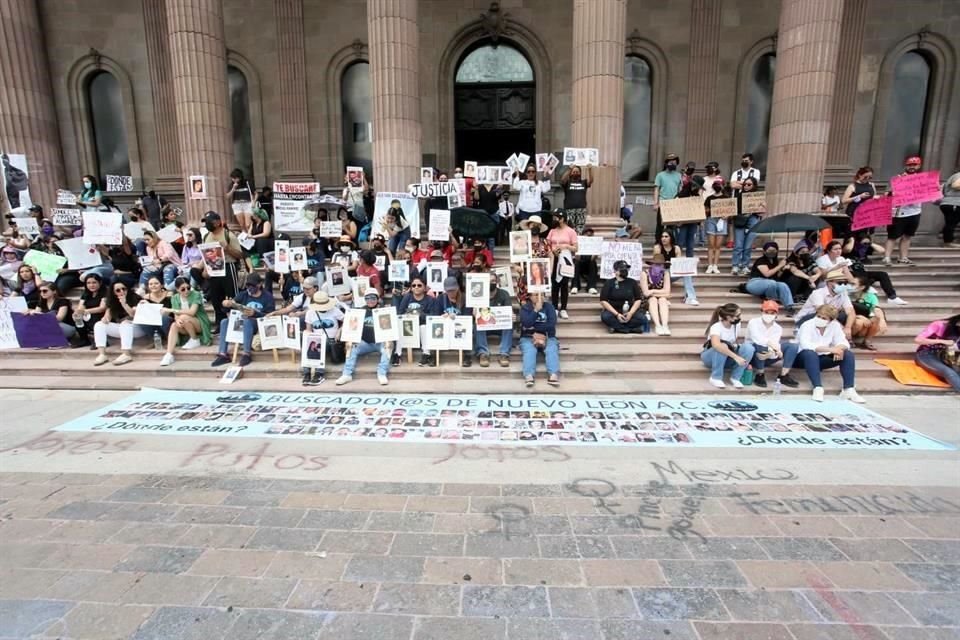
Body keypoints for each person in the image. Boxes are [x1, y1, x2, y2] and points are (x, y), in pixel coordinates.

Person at [796, 304, 865, 403]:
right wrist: (832, 349)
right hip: (803, 358)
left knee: (847, 354)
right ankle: (818, 388)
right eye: (818, 316)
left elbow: (844, 342)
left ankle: (848, 389)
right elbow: (806, 344)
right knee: (810, 353)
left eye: (824, 318)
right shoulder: (807, 324)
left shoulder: (835, 326)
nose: (820, 319)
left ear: (831, 321)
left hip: (821, 359)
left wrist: (838, 348)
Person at [210, 272, 276, 367]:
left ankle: (246, 354)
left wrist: (255, 313)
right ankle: (223, 354)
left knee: (248, 321)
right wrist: (226, 304)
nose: (250, 288)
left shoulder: (267, 296)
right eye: (248, 285)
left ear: (259, 284)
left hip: (258, 324)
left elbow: (271, 315)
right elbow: (229, 307)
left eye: (252, 285)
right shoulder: (243, 295)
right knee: (224, 322)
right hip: (242, 321)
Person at [336, 289, 391, 386]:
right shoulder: (360, 310)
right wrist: (340, 329)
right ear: (365, 299)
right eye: (367, 298)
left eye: (373, 298)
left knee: (389, 344)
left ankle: (382, 373)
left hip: (379, 343)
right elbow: (351, 325)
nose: (370, 300)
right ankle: (347, 374)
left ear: (378, 299)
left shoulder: (384, 310)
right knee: (350, 344)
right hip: (364, 343)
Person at [200, 211, 244, 326]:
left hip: (229, 267)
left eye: (210, 222)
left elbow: (239, 255)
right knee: (216, 298)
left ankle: (237, 323)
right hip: (213, 269)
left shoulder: (228, 235)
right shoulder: (206, 236)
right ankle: (220, 323)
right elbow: (205, 254)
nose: (208, 225)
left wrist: (227, 248)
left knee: (233, 296)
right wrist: (205, 269)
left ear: (218, 222)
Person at [745, 300, 800, 388]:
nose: (769, 315)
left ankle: (783, 375)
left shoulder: (778, 328)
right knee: (760, 345)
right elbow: (758, 339)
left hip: (768, 355)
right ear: (762, 311)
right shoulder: (753, 322)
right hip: (753, 355)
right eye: (767, 312)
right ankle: (760, 374)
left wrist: (772, 352)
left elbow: (775, 343)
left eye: (772, 313)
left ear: (776, 314)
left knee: (793, 346)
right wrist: (775, 348)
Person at [842, 232, 908, 305]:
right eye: (864, 244)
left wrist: (870, 243)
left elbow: (882, 250)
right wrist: (852, 240)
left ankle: (892, 297)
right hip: (849, 273)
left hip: (862, 273)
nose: (865, 246)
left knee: (882, 274)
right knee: (864, 277)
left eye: (867, 244)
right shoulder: (850, 248)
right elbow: (847, 250)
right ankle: (866, 285)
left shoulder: (866, 248)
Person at [701, 302, 755, 389]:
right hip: (711, 357)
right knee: (722, 346)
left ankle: (736, 377)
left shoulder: (736, 325)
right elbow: (716, 345)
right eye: (737, 315)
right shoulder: (716, 327)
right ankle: (715, 377)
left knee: (748, 348)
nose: (740, 318)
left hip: (727, 356)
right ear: (728, 317)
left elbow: (732, 342)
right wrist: (736, 357)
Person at [159, 277, 211, 366]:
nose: (186, 291)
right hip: (185, 323)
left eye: (188, 288)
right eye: (183, 289)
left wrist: (172, 310)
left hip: (199, 323)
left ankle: (194, 339)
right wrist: (178, 320)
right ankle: (169, 354)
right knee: (174, 325)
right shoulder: (175, 298)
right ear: (177, 289)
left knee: (184, 317)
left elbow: (192, 312)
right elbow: (176, 316)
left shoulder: (196, 294)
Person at [93, 280, 145, 366]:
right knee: (99, 325)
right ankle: (102, 354)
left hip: (138, 328)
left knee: (125, 323)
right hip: (123, 328)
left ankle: (126, 354)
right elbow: (107, 317)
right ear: (113, 293)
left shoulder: (136, 298)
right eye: (118, 290)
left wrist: (124, 304)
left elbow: (133, 315)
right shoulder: (112, 302)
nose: (121, 291)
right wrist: (105, 319)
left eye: (123, 289)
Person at [885, 156, 924, 265]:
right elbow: (888, 193)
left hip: (915, 211)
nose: (912, 167)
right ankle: (887, 257)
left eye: (914, 165)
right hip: (899, 211)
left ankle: (903, 257)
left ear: (919, 166)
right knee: (892, 236)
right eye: (909, 165)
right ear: (905, 166)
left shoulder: (922, 179)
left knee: (908, 235)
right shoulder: (898, 178)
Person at [795, 270, 856, 339]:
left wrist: (848, 328)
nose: (843, 285)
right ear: (829, 283)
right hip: (808, 319)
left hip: (828, 319)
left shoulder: (843, 294)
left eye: (845, 283)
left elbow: (850, 311)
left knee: (844, 316)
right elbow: (823, 312)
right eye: (840, 282)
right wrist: (840, 328)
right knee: (822, 316)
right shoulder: (818, 293)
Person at [300, 291, 345, 386]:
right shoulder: (310, 313)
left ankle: (319, 373)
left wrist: (340, 330)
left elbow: (347, 320)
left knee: (321, 345)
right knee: (307, 342)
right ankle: (306, 373)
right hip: (317, 339)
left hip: (331, 341)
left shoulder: (334, 310)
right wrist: (307, 337)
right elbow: (309, 329)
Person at [473, 271, 513, 367]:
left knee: (509, 322)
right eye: (488, 281)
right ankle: (483, 353)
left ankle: (504, 353)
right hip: (485, 327)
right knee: (477, 322)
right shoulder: (479, 294)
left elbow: (508, 311)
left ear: (497, 282)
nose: (491, 283)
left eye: (493, 281)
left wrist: (511, 315)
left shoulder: (504, 294)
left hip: (499, 326)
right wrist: (475, 313)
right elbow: (476, 313)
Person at [519, 294, 559, 387]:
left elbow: (551, 324)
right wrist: (536, 310)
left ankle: (553, 374)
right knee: (530, 350)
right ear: (530, 296)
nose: (539, 297)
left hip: (548, 336)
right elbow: (526, 323)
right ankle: (529, 375)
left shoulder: (549, 307)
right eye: (536, 295)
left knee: (551, 348)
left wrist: (538, 332)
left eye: (541, 295)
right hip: (528, 337)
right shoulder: (525, 308)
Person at [397, 275, 436, 367]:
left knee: (423, 327)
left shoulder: (430, 299)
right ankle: (397, 354)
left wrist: (419, 315)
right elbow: (400, 312)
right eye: (413, 285)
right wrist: (406, 316)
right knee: (399, 326)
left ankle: (426, 354)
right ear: (411, 288)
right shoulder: (407, 297)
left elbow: (432, 316)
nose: (416, 287)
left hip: (422, 327)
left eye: (419, 285)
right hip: (408, 326)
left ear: (424, 287)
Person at [599, 260, 647, 334]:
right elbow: (603, 301)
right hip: (614, 311)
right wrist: (617, 314)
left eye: (626, 269)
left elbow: (638, 299)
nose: (625, 271)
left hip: (629, 311)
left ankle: (617, 328)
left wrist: (630, 313)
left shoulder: (632, 282)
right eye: (622, 269)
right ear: (615, 271)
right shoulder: (609, 283)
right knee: (605, 317)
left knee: (642, 318)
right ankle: (629, 329)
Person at [914, 314, 960, 390]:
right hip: (926, 354)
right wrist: (943, 341)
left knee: (956, 372)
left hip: (945, 356)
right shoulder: (939, 324)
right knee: (949, 372)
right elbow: (918, 340)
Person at [653, 230, 699, 306]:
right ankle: (663, 298)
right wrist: (664, 263)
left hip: (672, 272)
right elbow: (655, 265)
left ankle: (690, 298)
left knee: (686, 271)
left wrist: (693, 263)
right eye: (662, 237)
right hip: (661, 274)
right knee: (659, 271)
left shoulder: (676, 248)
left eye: (666, 237)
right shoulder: (657, 248)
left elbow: (679, 264)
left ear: (671, 238)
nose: (663, 238)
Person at [547, 210, 578, 318]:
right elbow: (548, 244)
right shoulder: (552, 231)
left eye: (556, 217)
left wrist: (565, 246)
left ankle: (564, 308)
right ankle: (554, 307)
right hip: (554, 259)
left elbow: (576, 248)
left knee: (564, 284)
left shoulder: (571, 231)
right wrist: (552, 251)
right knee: (555, 284)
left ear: (562, 218)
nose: (554, 219)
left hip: (566, 259)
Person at [514, 216, 552, 303]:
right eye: (533, 225)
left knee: (539, 303)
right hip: (524, 278)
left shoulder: (545, 242)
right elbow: (515, 259)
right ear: (528, 226)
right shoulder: (522, 241)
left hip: (539, 279)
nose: (535, 227)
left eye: (538, 225)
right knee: (524, 304)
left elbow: (551, 256)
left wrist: (550, 270)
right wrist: (516, 267)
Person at [745, 241, 795, 308]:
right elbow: (767, 274)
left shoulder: (775, 261)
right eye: (769, 250)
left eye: (774, 250)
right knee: (772, 283)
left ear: (777, 251)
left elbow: (776, 276)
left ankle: (790, 306)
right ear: (764, 251)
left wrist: (783, 269)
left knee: (783, 285)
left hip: (770, 283)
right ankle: (772, 302)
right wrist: (780, 266)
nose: (771, 252)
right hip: (755, 283)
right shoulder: (760, 261)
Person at [732, 176, 762, 275]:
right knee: (738, 245)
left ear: (754, 186)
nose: (746, 186)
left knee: (748, 246)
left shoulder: (758, 197)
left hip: (753, 219)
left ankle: (745, 265)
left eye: (749, 184)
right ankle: (735, 265)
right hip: (740, 220)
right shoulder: (738, 196)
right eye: (745, 184)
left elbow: (762, 212)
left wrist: (758, 209)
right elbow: (733, 209)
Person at [838, 166, 878, 239]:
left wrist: (876, 198)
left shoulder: (872, 185)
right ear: (860, 175)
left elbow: (874, 196)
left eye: (870, 177)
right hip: (854, 212)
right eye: (865, 177)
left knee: (865, 235)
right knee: (852, 234)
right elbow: (843, 200)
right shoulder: (853, 186)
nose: (867, 179)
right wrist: (859, 196)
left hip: (867, 212)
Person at [849, 274, 886, 351]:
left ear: (862, 287)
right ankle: (848, 340)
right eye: (850, 283)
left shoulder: (871, 296)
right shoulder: (846, 295)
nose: (850, 285)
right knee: (859, 322)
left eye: (853, 284)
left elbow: (876, 309)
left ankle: (867, 341)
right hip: (852, 320)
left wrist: (882, 320)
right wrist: (859, 316)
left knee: (876, 319)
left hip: (866, 321)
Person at [72, 273, 107, 348]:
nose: (91, 285)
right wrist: (77, 313)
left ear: (100, 283)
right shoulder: (86, 294)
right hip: (89, 314)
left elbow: (102, 308)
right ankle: (84, 339)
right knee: (78, 318)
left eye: (94, 282)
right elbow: (81, 307)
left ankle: (101, 340)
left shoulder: (105, 292)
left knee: (93, 317)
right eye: (89, 283)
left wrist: (85, 311)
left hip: (103, 315)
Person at [652, 153, 682, 238]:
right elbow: (656, 189)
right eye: (670, 162)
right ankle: (658, 242)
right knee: (660, 224)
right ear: (666, 163)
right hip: (663, 202)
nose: (673, 164)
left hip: (674, 203)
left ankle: (670, 243)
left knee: (672, 226)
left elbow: (680, 190)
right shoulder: (660, 175)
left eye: (674, 162)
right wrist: (655, 203)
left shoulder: (679, 175)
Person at [641, 254, 671, 335]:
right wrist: (660, 292)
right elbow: (646, 293)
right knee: (653, 299)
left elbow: (667, 292)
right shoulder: (644, 274)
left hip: (661, 297)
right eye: (656, 264)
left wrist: (652, 291)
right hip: (647, 299)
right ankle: (657, 325)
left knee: (662, 300)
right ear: (652, 264)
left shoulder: (666, 274)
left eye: (661, 265)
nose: (658, 267)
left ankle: (665, 325)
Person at [703, 178, 728, 274]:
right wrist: (711, 210)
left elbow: (731, 210)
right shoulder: (709, 198)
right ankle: (710, 265)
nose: (717, 186)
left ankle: (715, 265)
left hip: (722, 220)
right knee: (711, 245)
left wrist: (727, 216)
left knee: (718, 245)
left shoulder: (726, 198)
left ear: (722, 186)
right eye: (716, 184)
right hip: (711, 220)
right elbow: (705, 210)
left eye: (719, 184)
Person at [560, 165, 592, 233]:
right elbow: (562, 180)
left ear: (580, 173)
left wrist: (590, 169)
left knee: (580, 229)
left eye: (577, 172)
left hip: (581, 209)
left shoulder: (583, 182)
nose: (575, 173)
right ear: (571, 173)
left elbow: (590, 181)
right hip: (569, 210)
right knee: (569, 228)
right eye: (573, 171)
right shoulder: (567, 183)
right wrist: (569, 169)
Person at [227, 168, 255, 233]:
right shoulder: (232, 185)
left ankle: (251, 235)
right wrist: (233, 188)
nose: (234, 180)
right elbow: (227, 196)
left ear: (239, 177)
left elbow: (255, 193)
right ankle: (244, 237)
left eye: (235, 178)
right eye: (232, 178)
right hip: (237, 204)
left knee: (248, 224)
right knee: (242, 225)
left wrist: (254, 201)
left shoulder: (247, 183)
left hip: (247, 204)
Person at [574, 226, 599, 295]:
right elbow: (576, 256)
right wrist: (577, 255)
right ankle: (575, 286)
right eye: (586, 234)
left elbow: (594, 257)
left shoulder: (595, 244)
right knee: (577, 263)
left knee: (593, 262)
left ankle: (591, 287)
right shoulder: (578, 243)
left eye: (590, 234)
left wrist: (594, 255)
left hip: (590, 265)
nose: (588, 235)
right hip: (580, 264)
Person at [940, 169, 960, 248]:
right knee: (951, 223)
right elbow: (955, 185)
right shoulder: (958, 175)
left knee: (950, 222)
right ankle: (948, 242)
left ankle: (948, 241)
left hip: (950, 203)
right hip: (953, 204)